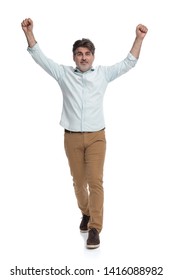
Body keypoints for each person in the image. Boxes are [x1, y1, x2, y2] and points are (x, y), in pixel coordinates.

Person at [21, 18, 148, 249]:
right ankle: (86, 213)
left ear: (93, 56)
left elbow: (129, 62)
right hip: (71, 137)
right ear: (74, 57)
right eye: (79, 53)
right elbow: (39, 56)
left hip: (97, 137)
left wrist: (138, 38)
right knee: (79, 183)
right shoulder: (63, 74)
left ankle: (95, 228)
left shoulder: (103, 74)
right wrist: (29, 33)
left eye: (87, 53)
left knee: (95, 182)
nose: (83, 57)